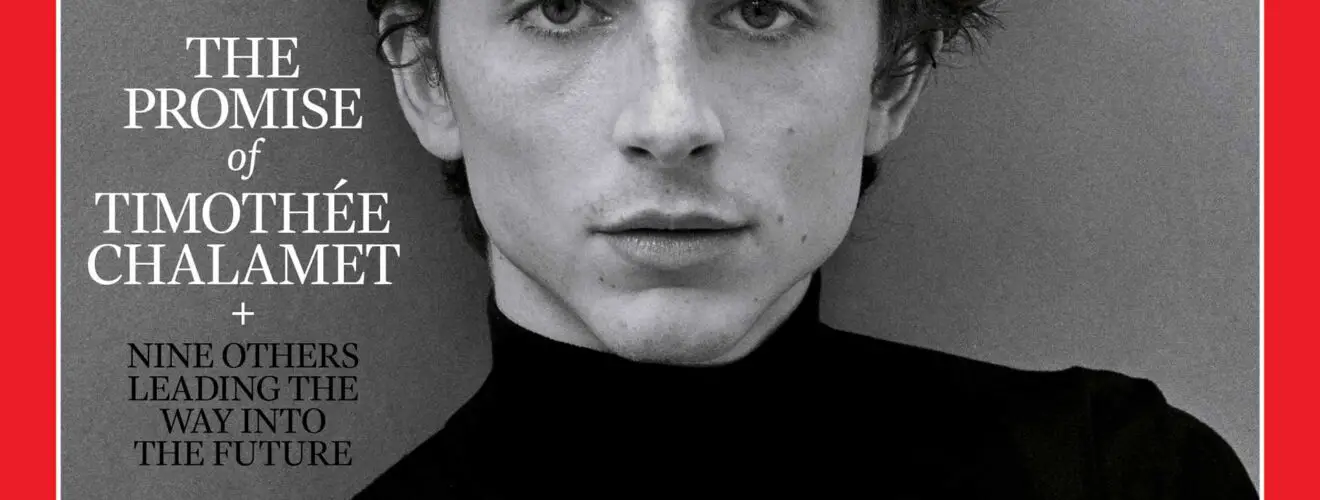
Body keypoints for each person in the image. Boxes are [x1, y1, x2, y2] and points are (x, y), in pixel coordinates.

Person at [356, 0, 1258, 497]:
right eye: (561, 8)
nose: (671, 122)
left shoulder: (1121, 480)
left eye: (759, 12)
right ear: (428, 80)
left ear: (890, 81)